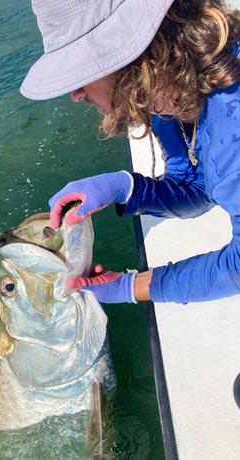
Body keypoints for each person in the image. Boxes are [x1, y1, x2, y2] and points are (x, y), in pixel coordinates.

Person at [20, 0, 240, 305]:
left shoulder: (232, 127)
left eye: (79, 71)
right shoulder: (169, 103)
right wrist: (125, 188)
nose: (75, 93)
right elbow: (199, 187)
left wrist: (131, 287)